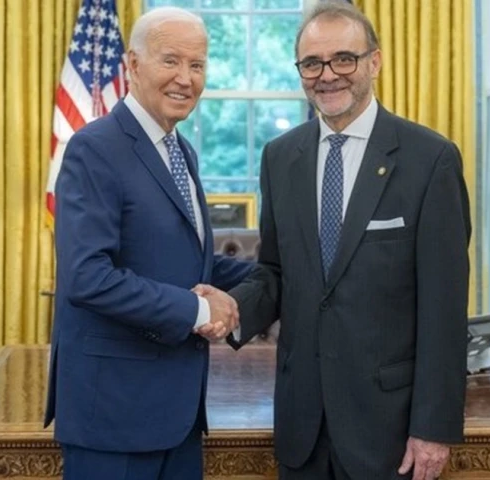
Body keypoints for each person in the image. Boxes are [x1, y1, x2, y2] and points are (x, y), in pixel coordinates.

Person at [197, 2, 471, 479]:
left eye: (344, 58)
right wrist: (229, 309)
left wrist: (434, 426)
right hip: (301, 424)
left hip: (388, 431)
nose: (328, 75)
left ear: (374, 62)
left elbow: (444, 308)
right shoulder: (281, 157)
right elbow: (278, 274)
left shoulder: (431, 160)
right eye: (312, 63)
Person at [44, 7, 250, 480]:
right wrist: (199, 312)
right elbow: (88, 278)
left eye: (197, 65)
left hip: (176, 418)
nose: (186, 78)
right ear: (133, 65)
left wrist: (278, 271)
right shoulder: (94, 147)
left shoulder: (181, 150)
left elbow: (183, 262)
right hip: (114, 418)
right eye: (171, 61)